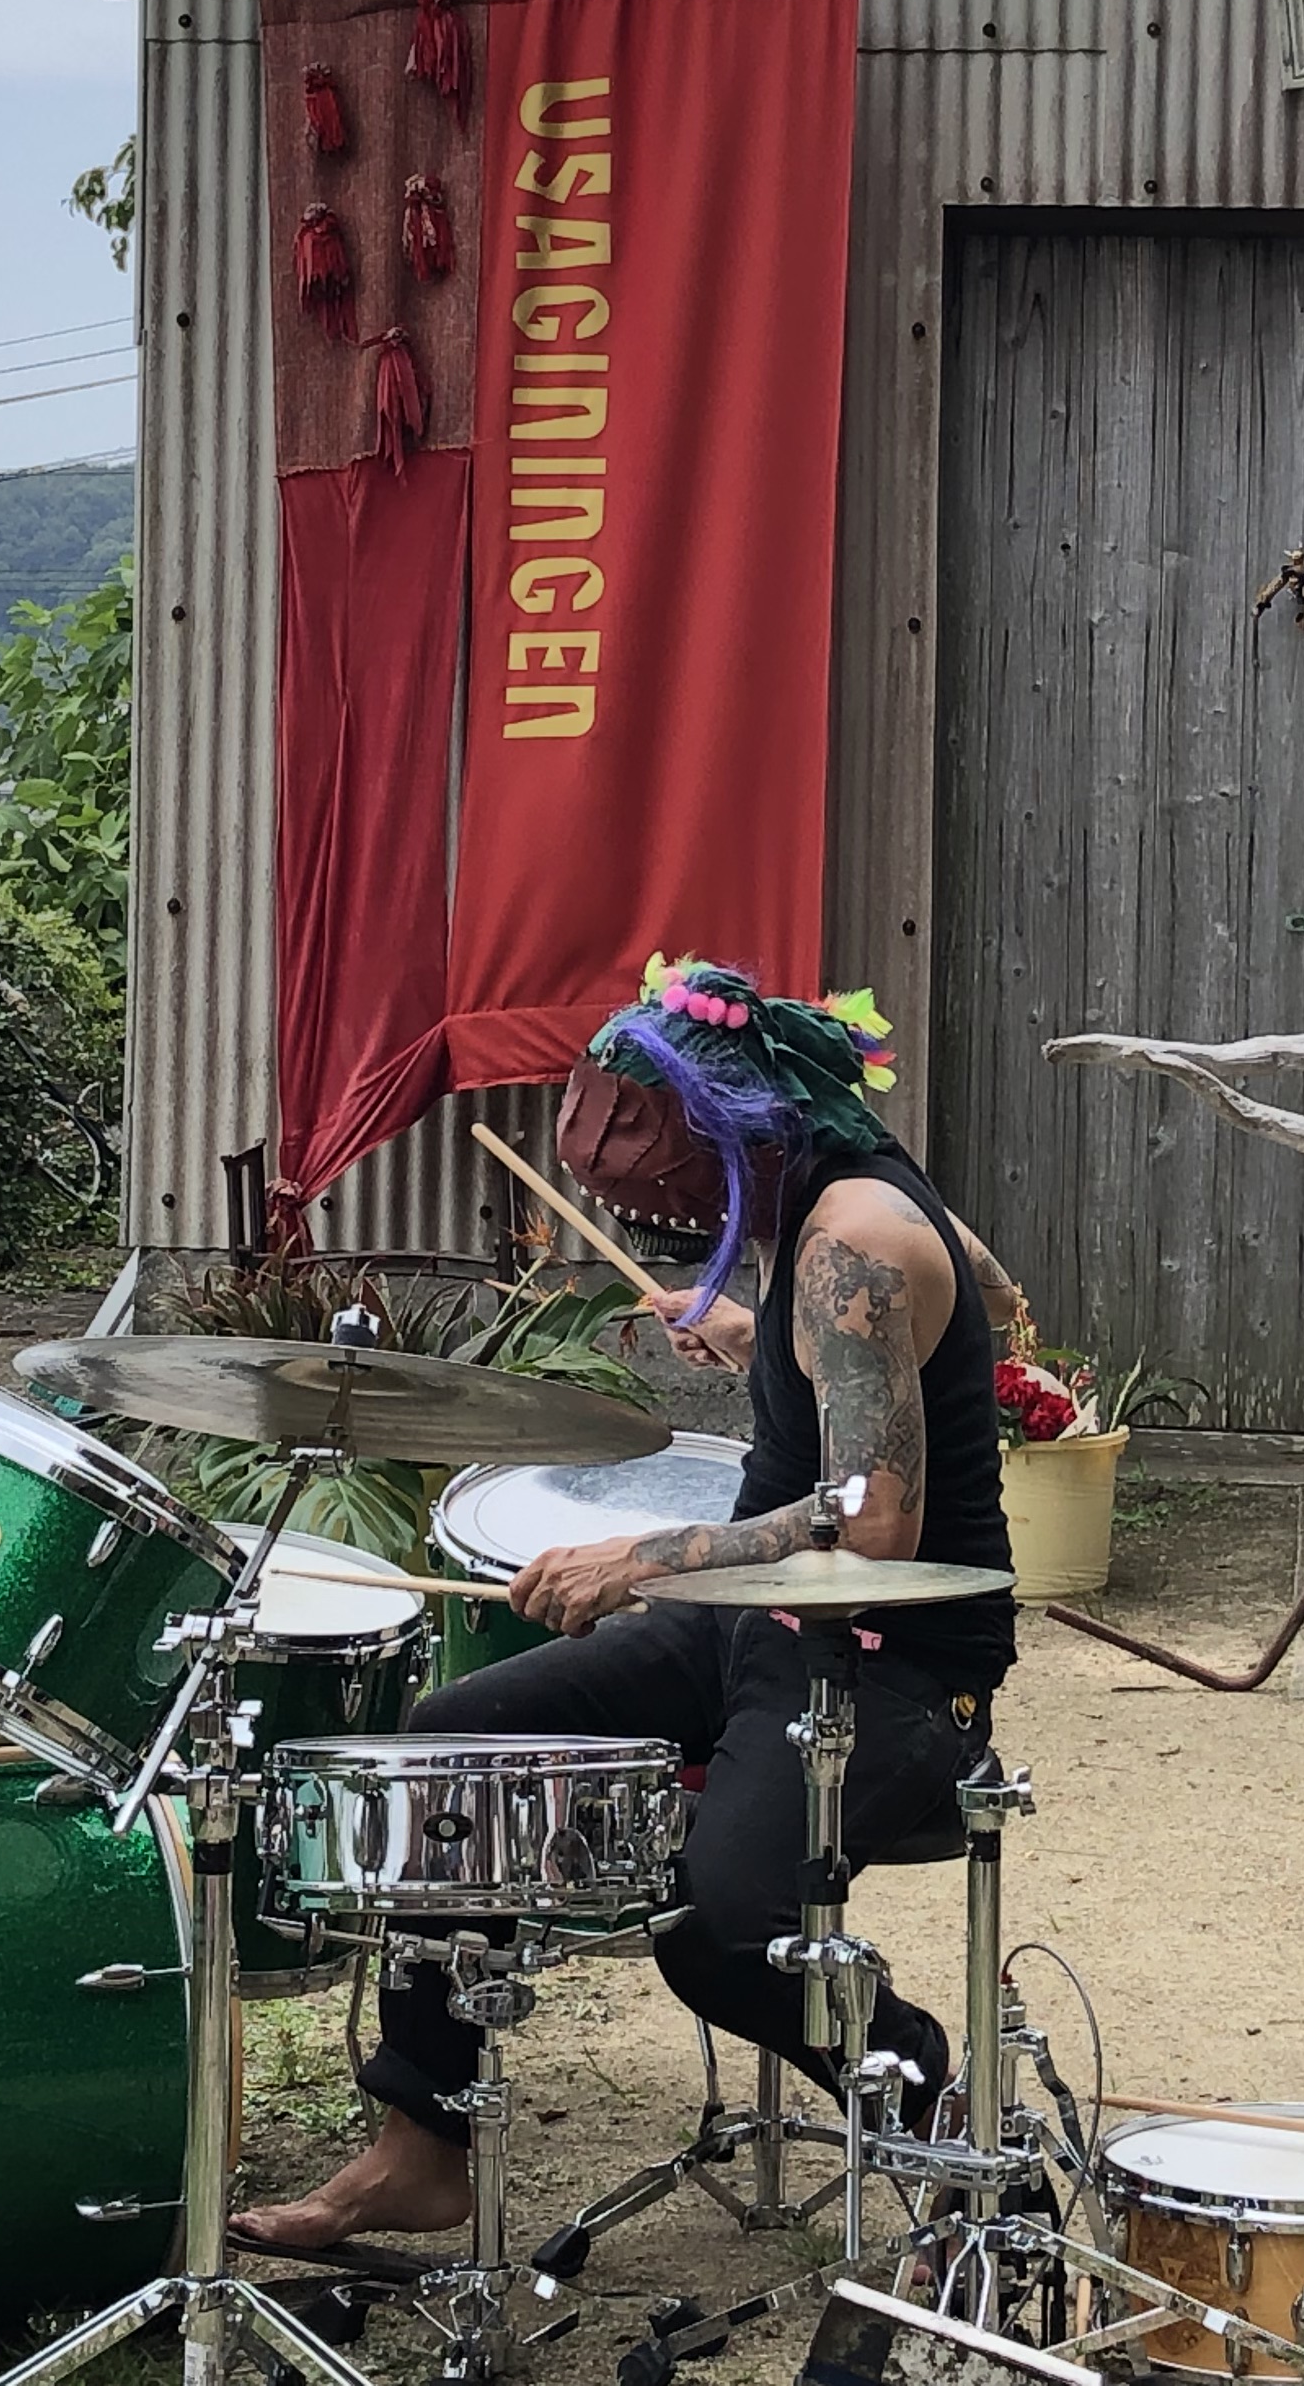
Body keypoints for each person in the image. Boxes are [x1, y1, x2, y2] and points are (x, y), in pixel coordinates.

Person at [236, 957, 1028, 2249]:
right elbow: (991, 1302)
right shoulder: (846, 1208)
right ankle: (422, 2140)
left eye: (681, 1183)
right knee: (448, 1750)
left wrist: (643, 1556)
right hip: (756, 1624)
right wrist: (769, 1327)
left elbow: (878, 1521)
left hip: (890, 1659)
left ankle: (935, 2101)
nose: (668, 1209)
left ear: (741, 1136)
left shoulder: (855, 1243)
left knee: (720, 1933)